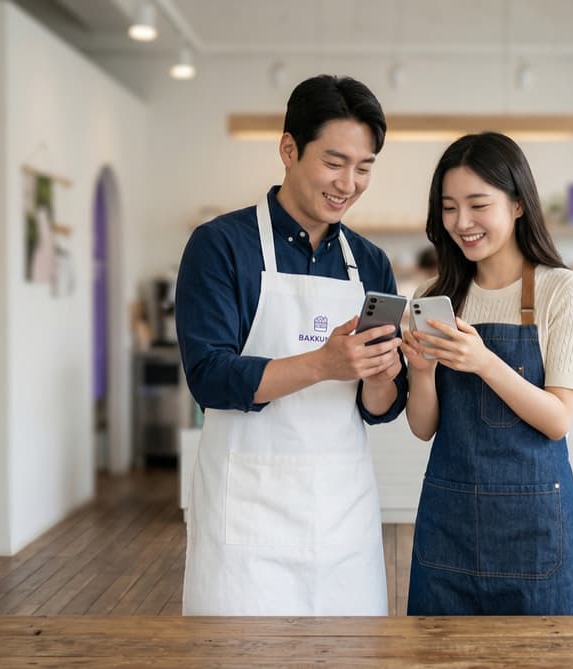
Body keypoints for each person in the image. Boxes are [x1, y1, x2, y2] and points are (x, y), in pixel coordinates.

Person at [175, 75, 407, 616]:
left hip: (342, 519)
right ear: (288, 149)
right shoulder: (220, 246)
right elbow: (210, 376)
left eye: (365, 167)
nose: (348, 183)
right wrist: (323, 363)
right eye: (334, 162)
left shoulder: (370, 263)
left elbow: (379, 409)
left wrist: (379, 376)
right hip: (245, 525)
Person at [400, 132, 573, 615]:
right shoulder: (435, 293)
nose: (461, 223)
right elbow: (424, 428)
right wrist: (421, 373)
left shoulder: (564, 291)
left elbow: (558, 420)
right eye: (448, 207)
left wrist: (484, 361)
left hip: (537, 534)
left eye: (477, 205)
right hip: (448, 531)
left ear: (516, 205)